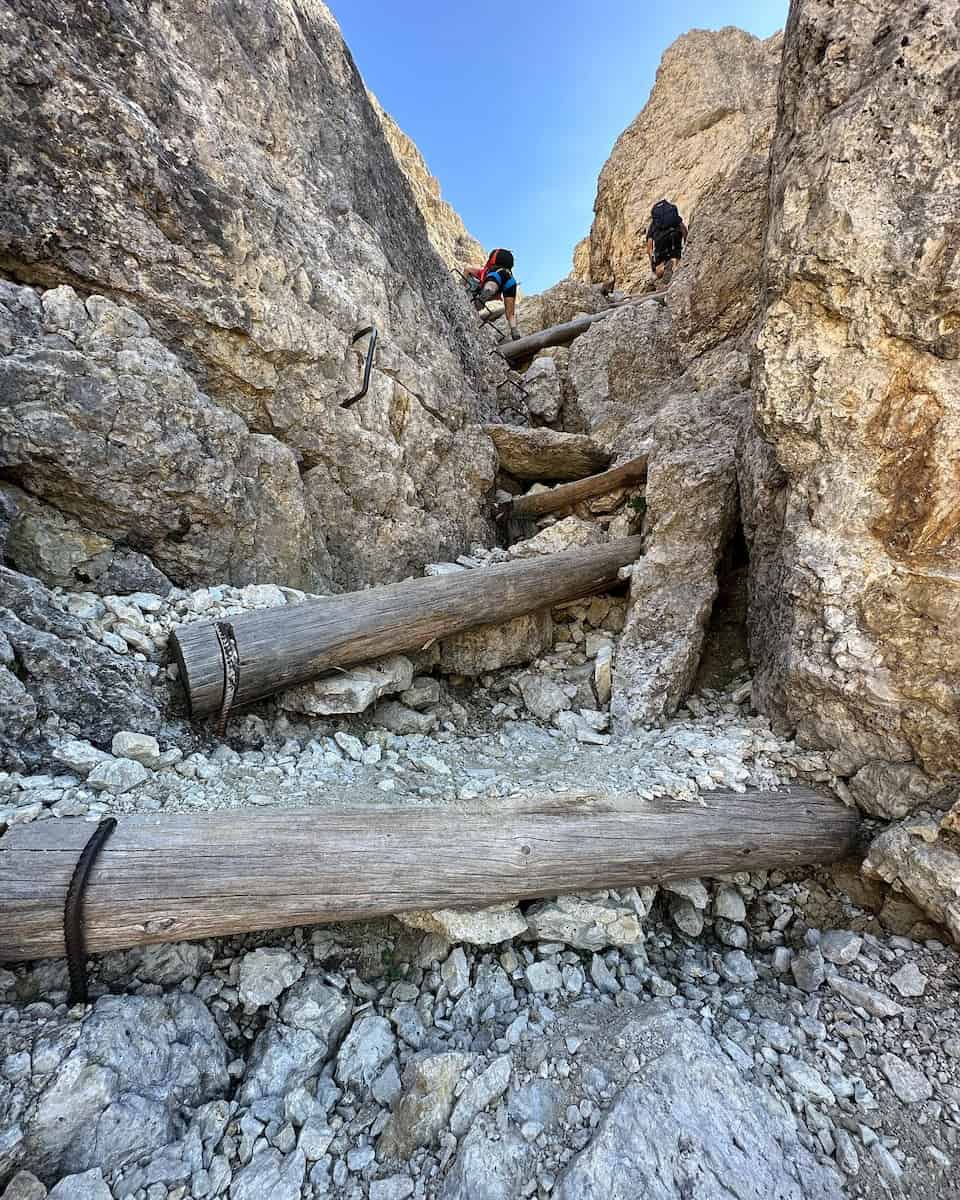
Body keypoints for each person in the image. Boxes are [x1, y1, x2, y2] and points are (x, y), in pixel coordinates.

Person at [463, 248, 521, 339]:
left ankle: (488, 290)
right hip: (510, 282)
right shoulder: (510, 275)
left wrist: (460, 286)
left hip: (495, 275)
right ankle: (514, 330)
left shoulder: (489, 270)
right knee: (510, 312)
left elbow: (467, 269)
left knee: (491, 284)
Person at [645, 200, 687, 283]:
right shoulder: (673, 218)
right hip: (675, 237)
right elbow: (684, 231)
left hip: (661, 244)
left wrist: (653, 267)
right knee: (675, 255)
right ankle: (674, 263)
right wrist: (686, 245)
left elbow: (649, 249)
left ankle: (664, 267)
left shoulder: (654, 225)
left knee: (658, 272)